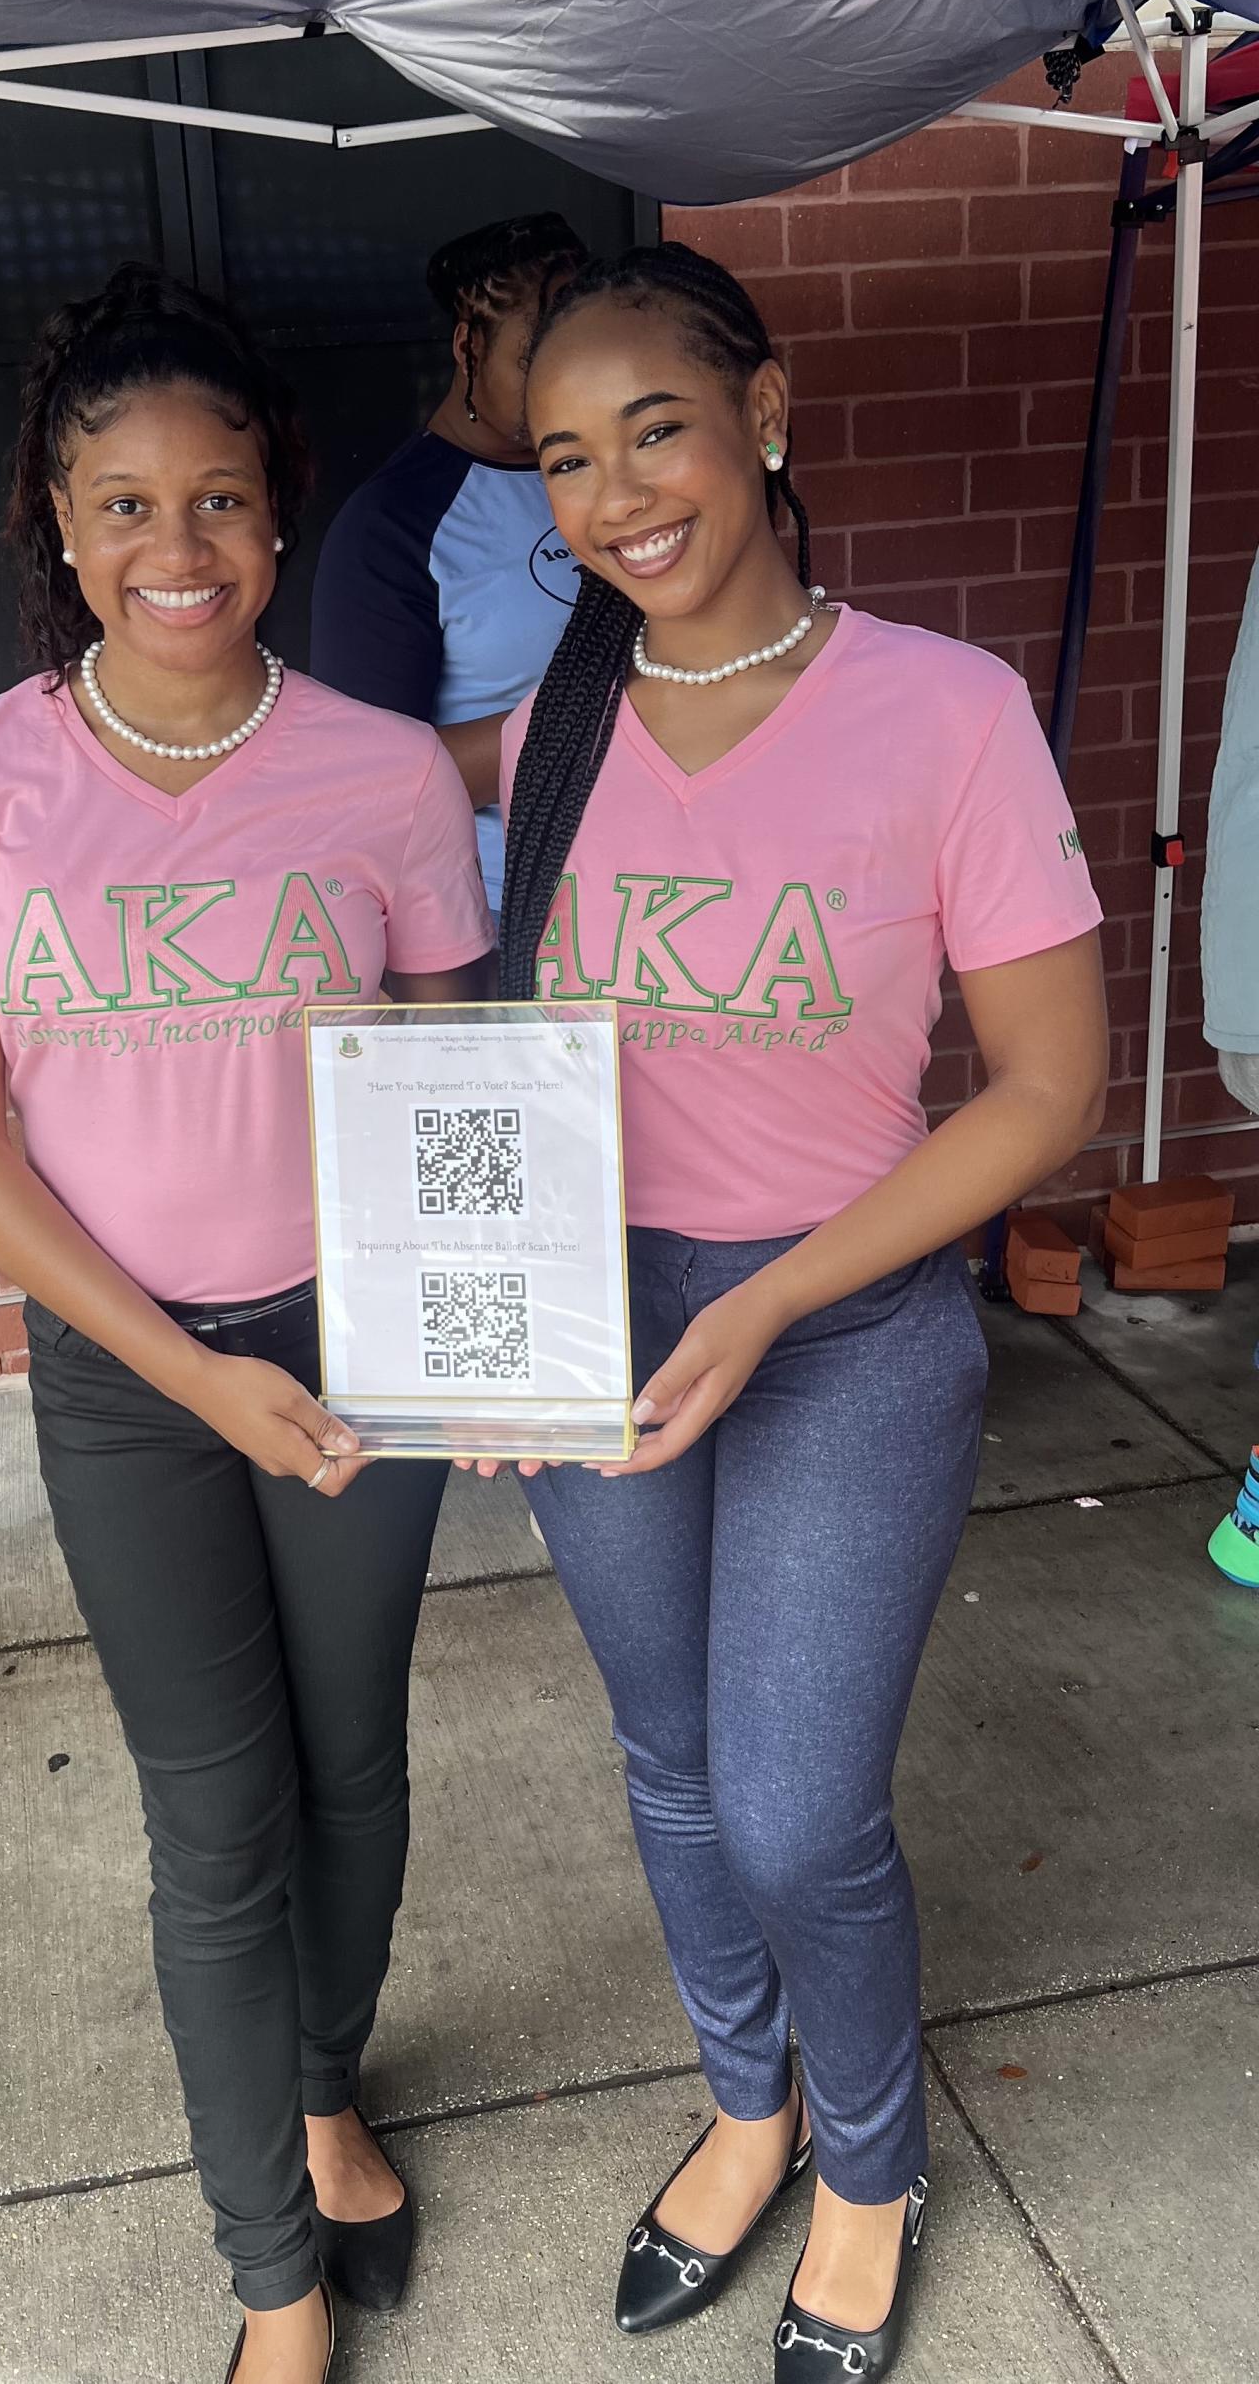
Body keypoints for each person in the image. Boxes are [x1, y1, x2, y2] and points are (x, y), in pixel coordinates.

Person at [0, 265, 493, 2384]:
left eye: (215, 499)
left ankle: (324, 2095)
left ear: (279, 515)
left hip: (363, 1342)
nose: (175, 549)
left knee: (353, 1766)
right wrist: (191, 1368)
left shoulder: (385, 775)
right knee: (213, 1812)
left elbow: (449, 1095)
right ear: (57, 522)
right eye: (123, 504)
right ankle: (270, 2283)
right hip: (134, 1375)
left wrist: (483, 1342)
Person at [492, 243, 1107, 2380]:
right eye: (561, 458)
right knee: (665, 1761)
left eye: (649, 425)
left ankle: (867, 2158)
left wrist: (766, 1307)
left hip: (839, 1323)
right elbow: (467, 1072)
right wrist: (462, 1323)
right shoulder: (538, 747)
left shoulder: (941, 711)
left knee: (788, 1806)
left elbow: (1046, 1087)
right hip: (595, 1314)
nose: (610, 492)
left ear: (762, 409)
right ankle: (742, 2104)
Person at [309, 211, 587, 912]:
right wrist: (603, 717)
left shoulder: (607, 477)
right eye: (537, 354)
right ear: (468, 347)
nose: (565, 377)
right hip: (494, 916)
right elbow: (365, 781)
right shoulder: (394, 524)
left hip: (647, 898)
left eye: (581, 349)